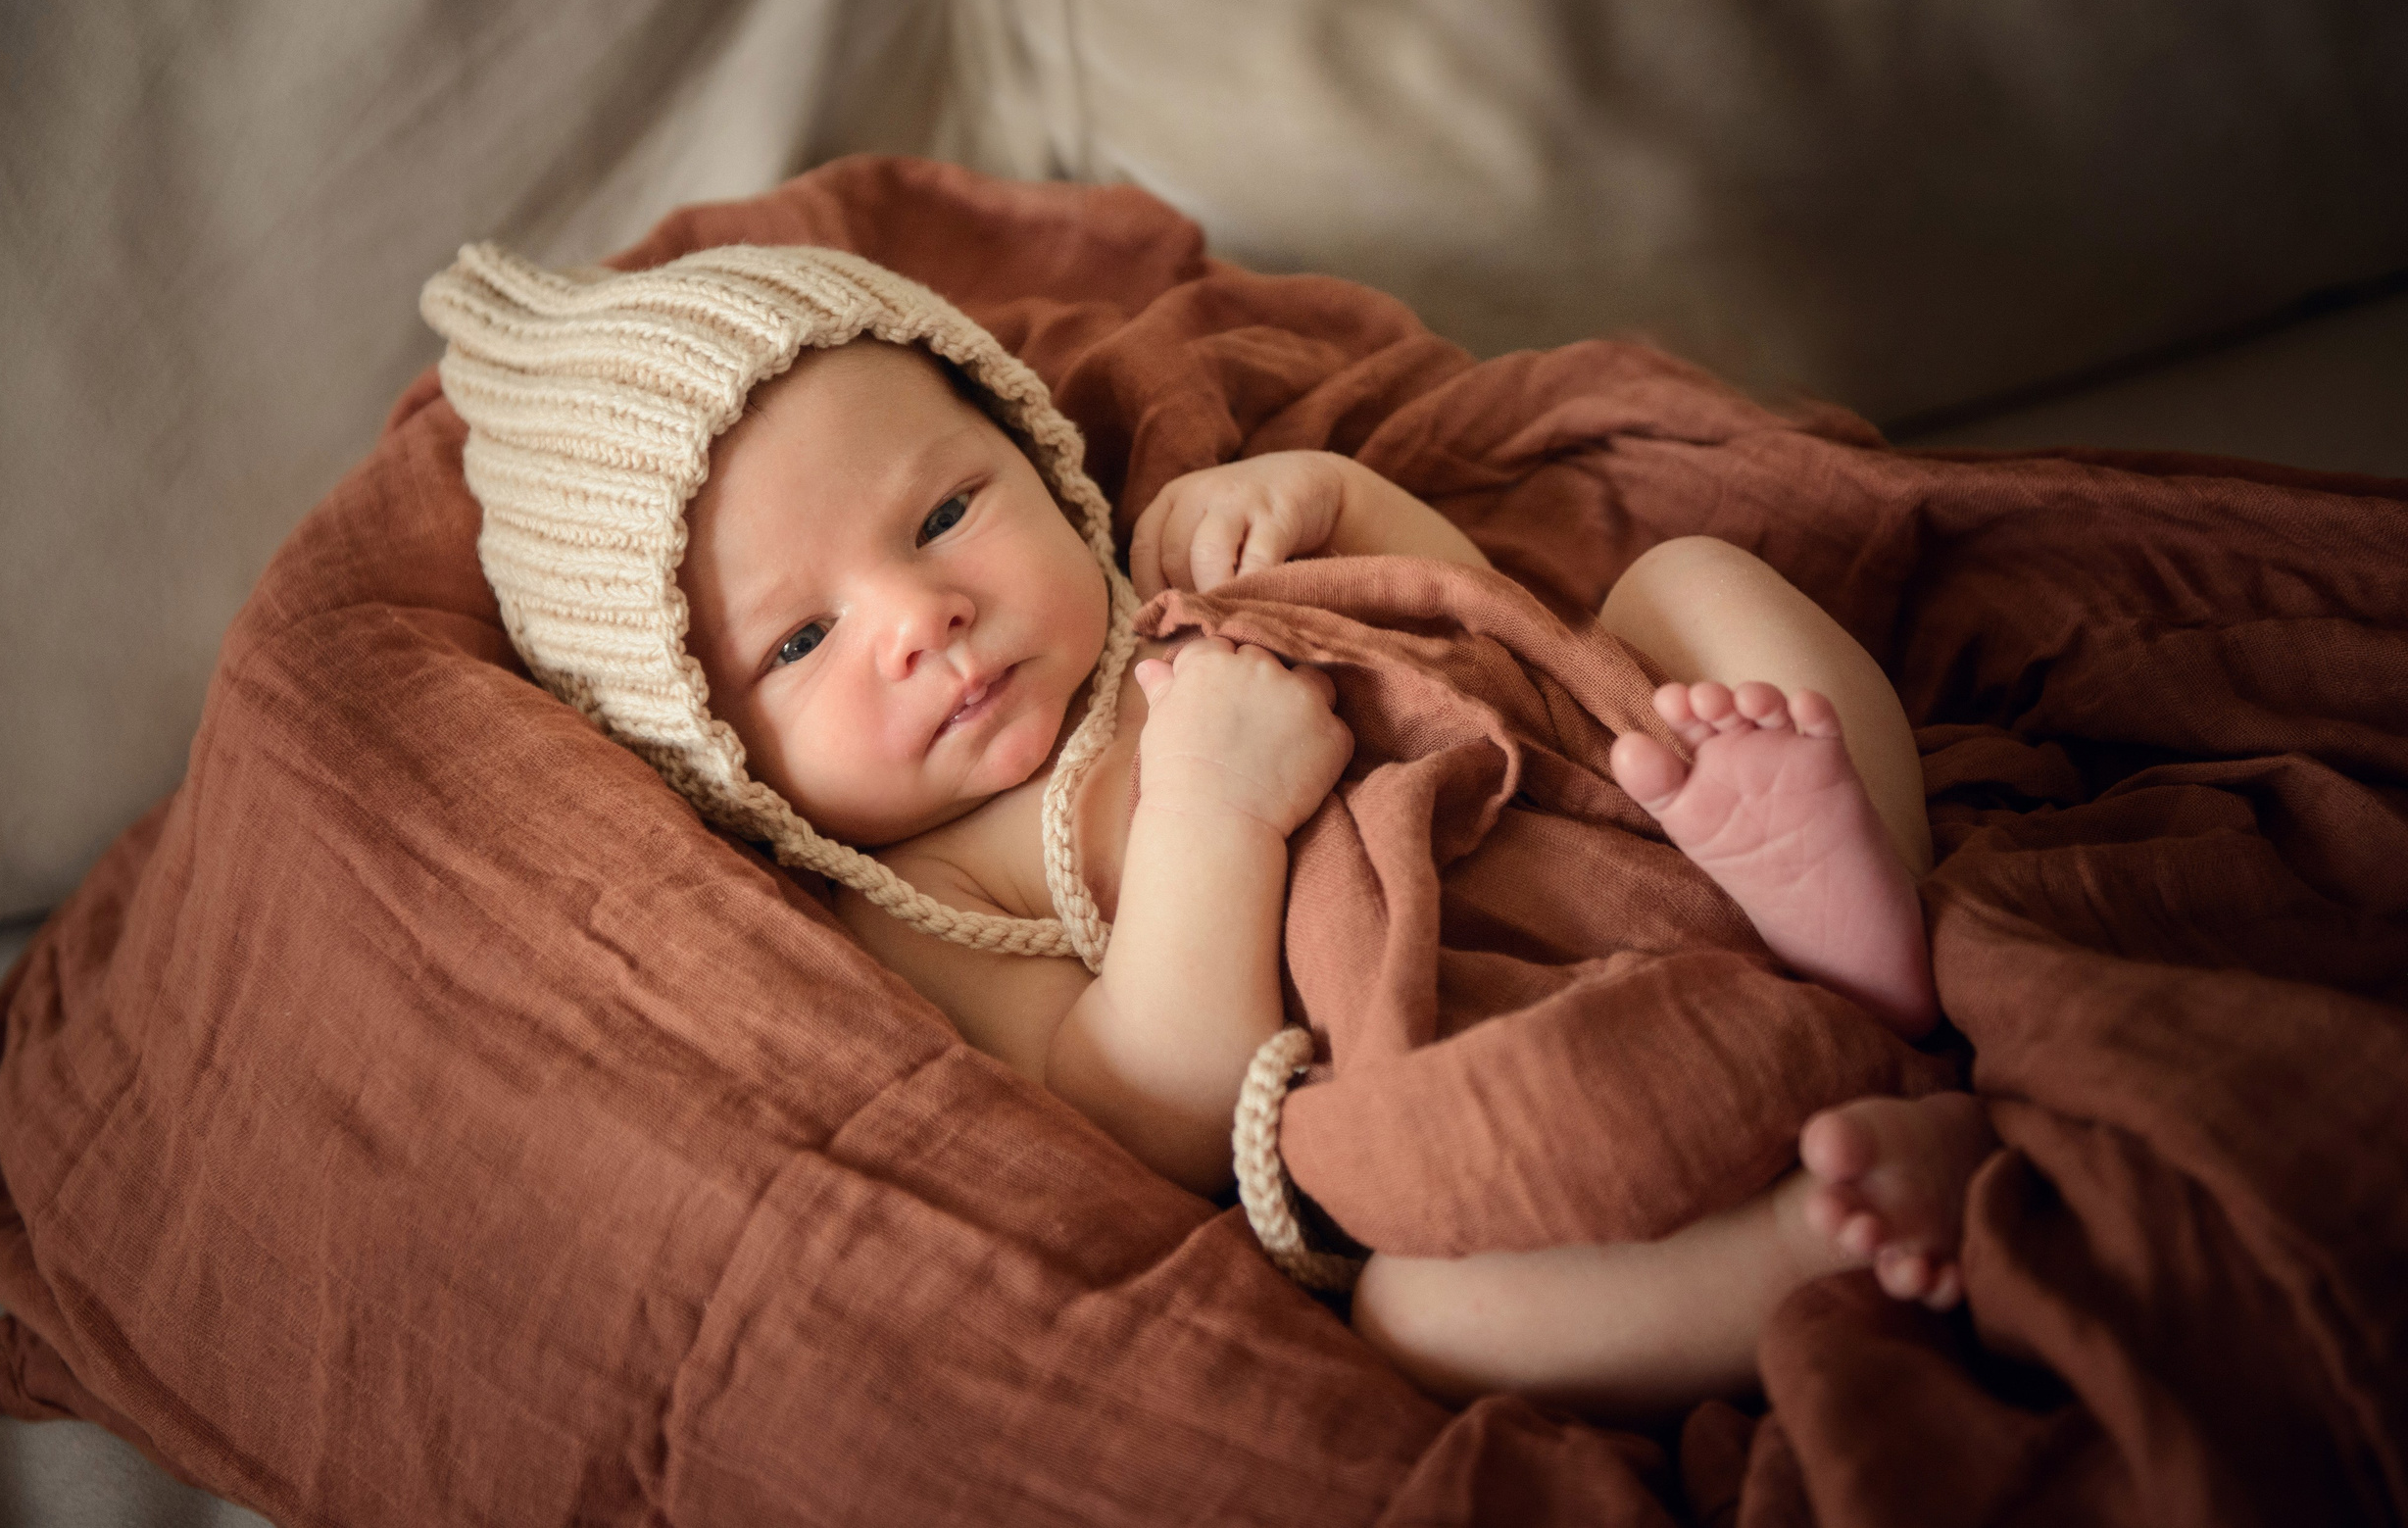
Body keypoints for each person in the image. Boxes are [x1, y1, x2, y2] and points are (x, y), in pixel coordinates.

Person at [423, 241, 1995, 1421]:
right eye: (800, 642)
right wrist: (1206, 808)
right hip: (1471, 1039)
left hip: (1621, 812)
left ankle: (1860, 918)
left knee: (1688, 590)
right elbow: (1152, 1103)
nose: (924, 616)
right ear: (723, 761)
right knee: (1422, 1311)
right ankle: (1808, 1238)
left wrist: (1332, 507)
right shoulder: (928, 895)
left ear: (1040, 461)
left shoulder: (1163, 595)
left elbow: (1478, 629)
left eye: (947, 513)